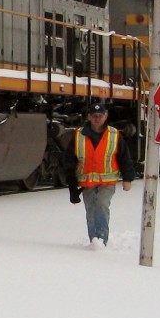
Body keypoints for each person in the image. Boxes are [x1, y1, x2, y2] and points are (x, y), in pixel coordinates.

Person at [64, 102, 135, 248]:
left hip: (107, 182)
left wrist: (127, 179)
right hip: (87, 183)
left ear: (106, 116)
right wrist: (72, 186)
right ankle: (93, 240)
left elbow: (124, 157)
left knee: (102, 206)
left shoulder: (114, 135)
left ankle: (102, 240)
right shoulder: (78, 135)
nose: (97, 119)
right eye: (94, 116)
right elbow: (69, 160)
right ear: (89, 117)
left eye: (100, 116)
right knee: (91, 211)